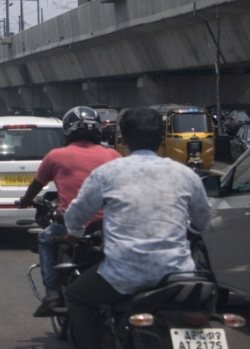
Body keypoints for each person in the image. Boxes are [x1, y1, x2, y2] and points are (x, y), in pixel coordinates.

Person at [62, 107, 211, 349]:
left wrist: (73, 233)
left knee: (75, 296)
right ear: (162, 139)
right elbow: (202, 221)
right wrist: (189, 237)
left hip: (123, 276)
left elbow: (76, 215)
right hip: (178, 275)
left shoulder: (107, 174)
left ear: (123, 139)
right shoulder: (186, 175)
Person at [18, 106, 120, 316]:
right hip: (109, 227)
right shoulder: (112, 155)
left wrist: (24, 201)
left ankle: (53, 294)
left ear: (68, 132)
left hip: (73, 225)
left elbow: (36, 186)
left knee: (45, 239)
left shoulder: (56, 156)